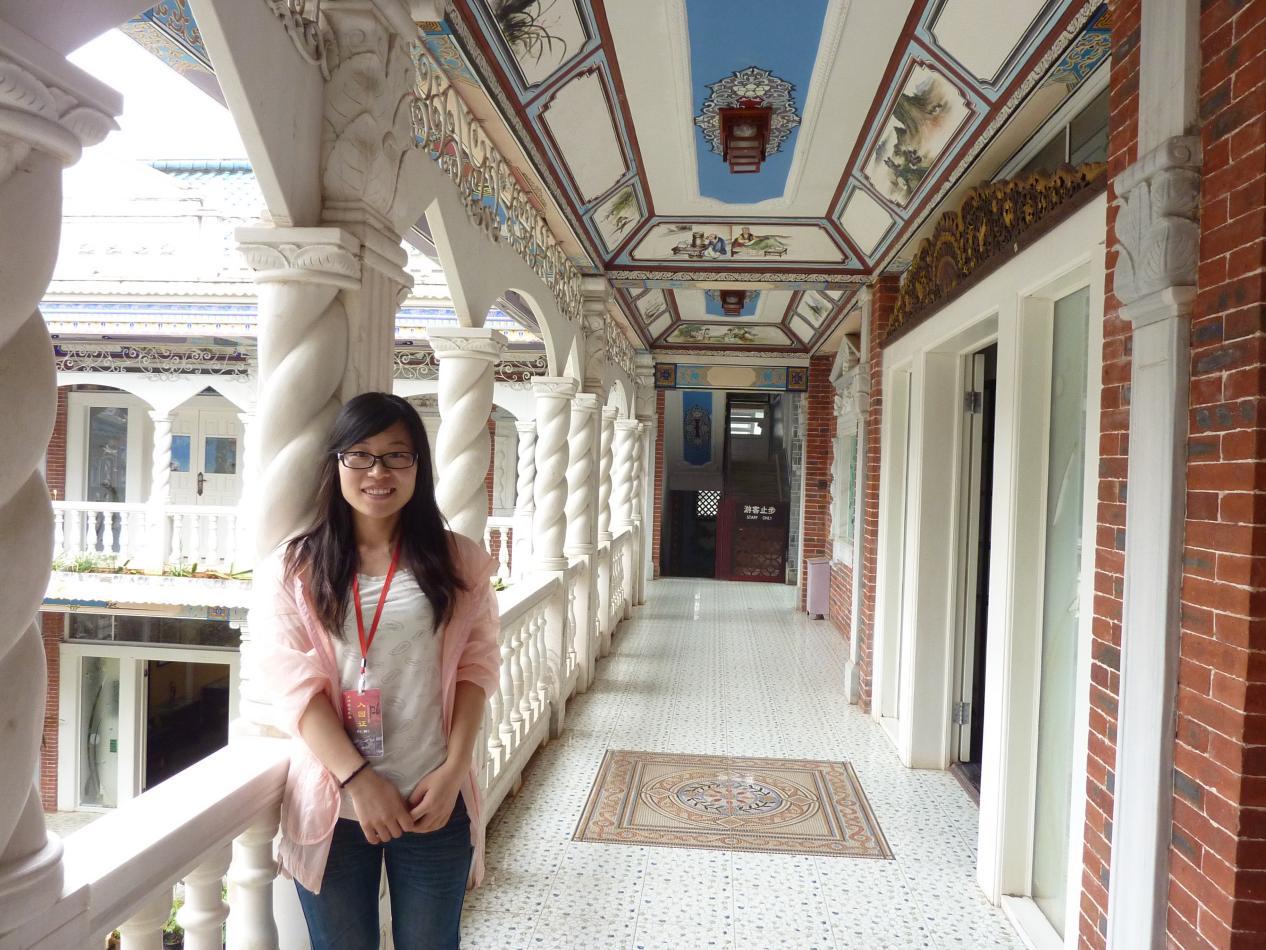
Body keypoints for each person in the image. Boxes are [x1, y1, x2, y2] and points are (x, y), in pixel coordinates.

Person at [253, 392, 500, 949]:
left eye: (396, 455)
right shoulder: (295, 569)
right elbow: (294, 688)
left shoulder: (459, 561)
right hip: (336, 805)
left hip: (433, 800)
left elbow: (476, 667)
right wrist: (359, 782)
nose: (378, 472)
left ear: (418, 466)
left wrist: (454, 770)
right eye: (360, 455)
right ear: (337, 462)